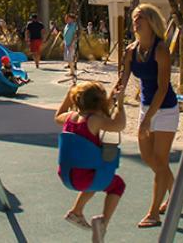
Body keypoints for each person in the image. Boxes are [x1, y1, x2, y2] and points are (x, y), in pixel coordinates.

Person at [120, 3, 178, 228]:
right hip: (147, 106)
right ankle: (176, 192)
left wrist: (146, 119)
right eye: (134, 17)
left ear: (151, 21)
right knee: (149, 158)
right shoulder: (130, 50)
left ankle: (154, 213)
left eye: (140, 17)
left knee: (160, 160)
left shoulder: (161, 49)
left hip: (165, 110)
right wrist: (115, 96)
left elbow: (163, 88)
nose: (136, 21)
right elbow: (123, 80)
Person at [55, 81, 126, 243]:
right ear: (99, 103)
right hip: (85, 177)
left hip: (67, 175)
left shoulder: (70, 117)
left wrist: (67, 98)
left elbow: (57, 116)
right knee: (117, 184)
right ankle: (103, 224)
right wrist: (120, 105)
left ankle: (77, 211)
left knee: (96, 175)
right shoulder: (94, 121)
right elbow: (119, 125)